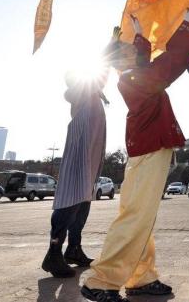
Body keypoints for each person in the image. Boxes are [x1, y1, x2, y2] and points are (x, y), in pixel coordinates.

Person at [81, 1, 189, 302]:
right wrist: (188, 24)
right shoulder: (133, 79)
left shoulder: (132, 75)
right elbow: (170, 64)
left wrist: (138, 31)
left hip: (147, 150)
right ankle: (102, 280)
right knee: (136, 216)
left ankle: (141, 277)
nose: (134, 51)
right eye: (127, 51)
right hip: (150, 151)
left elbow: (144, 58)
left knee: (140, 215)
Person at [41, 33, 112, 278]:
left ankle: (73, 249)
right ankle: (53, 254)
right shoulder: (80, 92)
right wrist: (111, 47)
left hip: (91, 155)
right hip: (81, 153)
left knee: (83, 202)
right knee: (70, 201)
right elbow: (100, 75)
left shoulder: (92, 96)